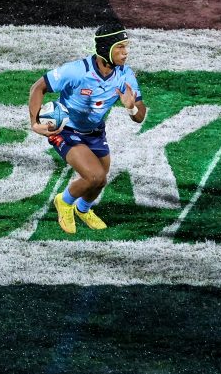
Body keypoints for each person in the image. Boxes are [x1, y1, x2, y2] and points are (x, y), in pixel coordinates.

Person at [29, 22, 146, 234]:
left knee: (100, 181)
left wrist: (131, 108)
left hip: (95, 132)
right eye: (120, 47)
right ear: (106, 49)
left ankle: (83, 210)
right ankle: (64, 202)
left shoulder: (126, 76)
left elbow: (140, 116)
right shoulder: (76, 71)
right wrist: (34, 123)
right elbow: (38, 87)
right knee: (94, 176)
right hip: (66, 131)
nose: (125, 52)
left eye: (126, 46)